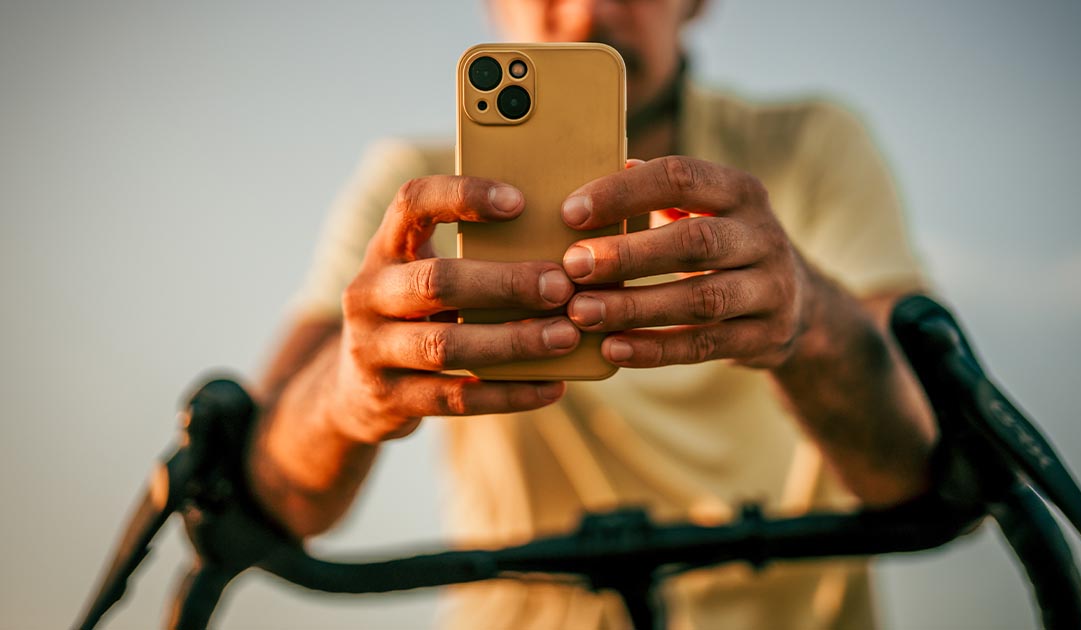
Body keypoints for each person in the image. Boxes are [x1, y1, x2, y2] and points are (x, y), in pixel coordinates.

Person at [249, 1, 937, 627]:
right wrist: (344, 397)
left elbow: (922, 460)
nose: (590, 11)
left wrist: (808, 317)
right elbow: (274, 496)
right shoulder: (413, 195)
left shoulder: (811, 149)